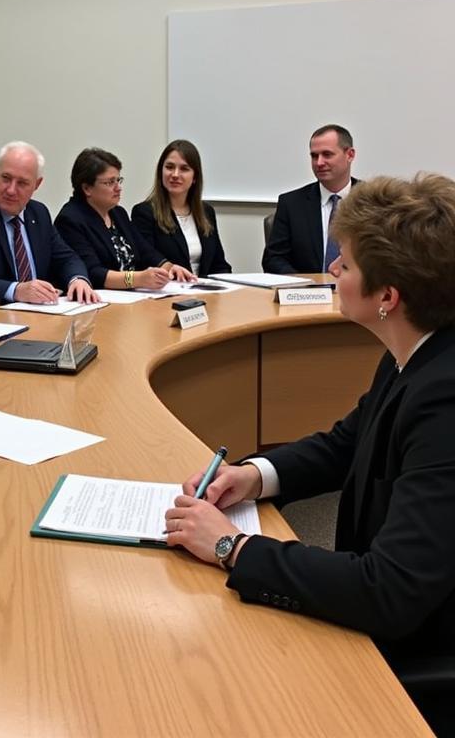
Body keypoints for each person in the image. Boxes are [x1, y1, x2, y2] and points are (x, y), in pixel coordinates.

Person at [165, 174, 455, 735]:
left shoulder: (445, 399)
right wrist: (252, 476)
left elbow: (388, 590)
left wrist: (229, 545)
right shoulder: (417, 349)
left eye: (344, 265)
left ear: (388, 297)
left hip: (411, 648)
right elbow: (349, 442)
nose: (333, 274)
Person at [0, 141, 99, 306]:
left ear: (37, 184)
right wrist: (16, 290)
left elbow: (67, 258)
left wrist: (77, 279)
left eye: (22, 183)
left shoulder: (38, 213)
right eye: (6, 178)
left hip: (37, 315)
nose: (11, 190)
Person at [54, 147, 194, 291]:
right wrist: (137, 279)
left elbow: (144, 250)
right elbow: (93, 272)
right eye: (110, 182)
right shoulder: (70, 220)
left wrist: (168, 267)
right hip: (102, 299)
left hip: (134, 296)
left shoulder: (118, 213)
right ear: (87, 188)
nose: (118, 188)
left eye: (118, 180)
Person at [263, 124, 358, 274]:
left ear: (350, 155)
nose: (319, 163)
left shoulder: (374, 201)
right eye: (314, 156)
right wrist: (304, 285)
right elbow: (274, 259)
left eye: (327, 154)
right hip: (306, 293)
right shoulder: (291, 203)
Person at [131, 140, 231, 278]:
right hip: (168, 292)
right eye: (169, 167)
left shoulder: (206, 212)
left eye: (184, 169)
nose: (175, 174)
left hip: (205, 292)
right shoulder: (144, 212)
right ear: (161, 171)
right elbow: (147, 261)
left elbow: (219, 264)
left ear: (195, 177)